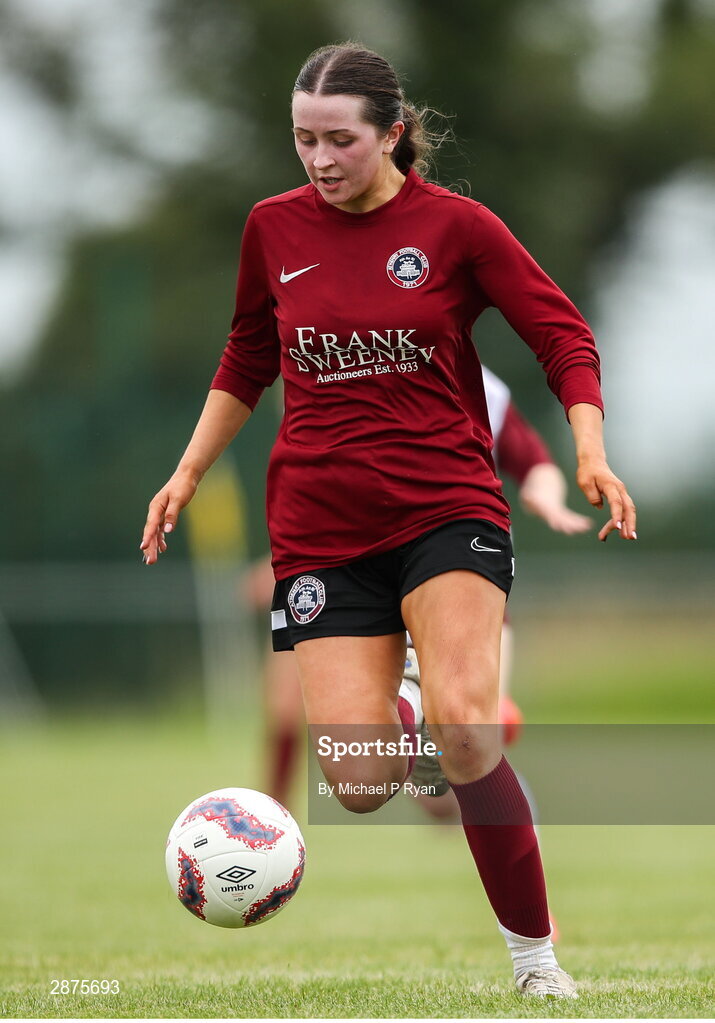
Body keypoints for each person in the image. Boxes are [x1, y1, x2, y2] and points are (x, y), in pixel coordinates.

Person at [141, 42, 636, 999]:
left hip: (446, 507)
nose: (319, 160)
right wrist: (188, 470)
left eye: (339, 141)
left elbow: (561, 334)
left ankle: (536, 961)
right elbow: (248, 353)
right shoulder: (271, 227)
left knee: (467, 729)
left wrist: (587, 449)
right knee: (361, 784)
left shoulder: (455, 228)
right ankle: (402, 716)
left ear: (392, 136)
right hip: (319, 526)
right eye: (302, 140)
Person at [246, 365, 593, 814]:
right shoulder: (332, 356)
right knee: (289, 693)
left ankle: (494, 800)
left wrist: (545, 494)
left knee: (447, 779)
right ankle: (269, 819)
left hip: (450, 576)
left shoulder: (481, 386)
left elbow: (534, 460)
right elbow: (328, 490)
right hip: (355, 573)